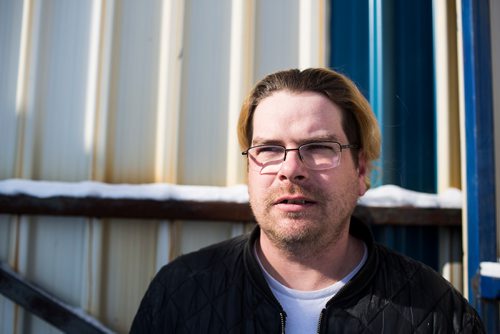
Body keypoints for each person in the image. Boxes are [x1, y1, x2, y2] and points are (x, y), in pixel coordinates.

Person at [130, 68, 484, 333]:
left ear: (361, 170)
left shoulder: (437, 313)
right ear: (249, 170)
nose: (291, 169)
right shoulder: (179, 291)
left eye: (318, 148)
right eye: (269, 149)